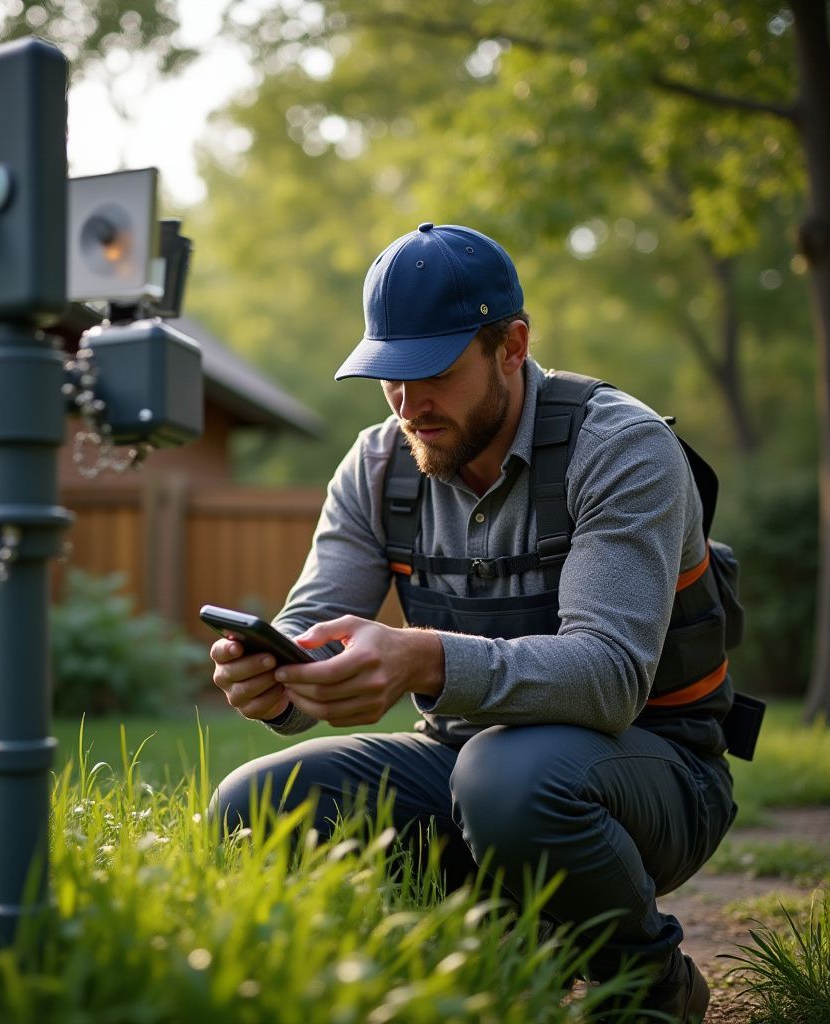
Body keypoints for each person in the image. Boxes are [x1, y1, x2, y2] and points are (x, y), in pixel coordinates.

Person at [209, 222, 736, 1023]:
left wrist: (425, 661)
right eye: (389, 375)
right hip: (460, 762)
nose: (410, 405)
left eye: (435, 373)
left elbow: (608, 677)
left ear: (512, 346)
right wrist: (278, 679)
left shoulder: (622, 448)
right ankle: (504, 946)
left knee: (508, 782)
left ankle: (650, 985)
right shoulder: (379, 462)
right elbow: (311, 622)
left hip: (656, 771)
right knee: (252, 803)